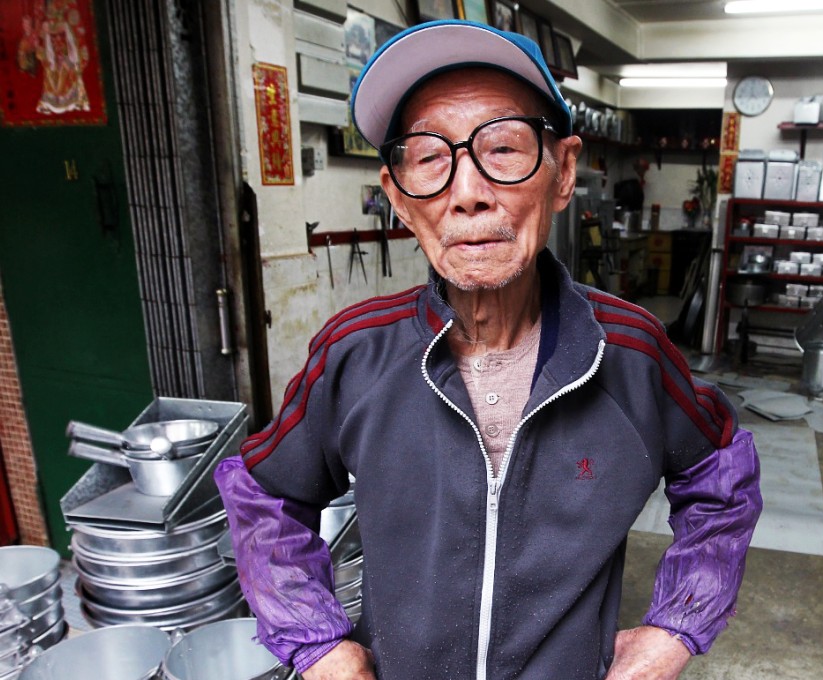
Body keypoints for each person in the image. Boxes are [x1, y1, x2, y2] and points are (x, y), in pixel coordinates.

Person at [215, 19, 762, 680]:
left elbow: (721, 479)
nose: (468, 193)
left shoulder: (630, 354)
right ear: (398, 199)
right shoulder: (355, 354)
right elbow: (263, 496)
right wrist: (319, 645)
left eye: (502, 148)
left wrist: (676, 629)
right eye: (428, 158)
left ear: (562, 174)